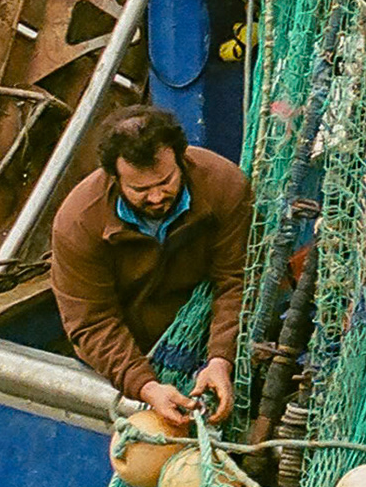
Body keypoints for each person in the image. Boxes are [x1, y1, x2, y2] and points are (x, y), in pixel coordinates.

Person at [50, 106, 253, 429]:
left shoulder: (224, 186)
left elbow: (235, 281)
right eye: (140, 190)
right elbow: (92, 322)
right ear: (114, 178)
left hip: (204, 336)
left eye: (166, 181)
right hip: (127, 349)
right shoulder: (77, 222)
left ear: (181, 160)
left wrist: (221, 358)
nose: (157, 197)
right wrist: (145, 385)